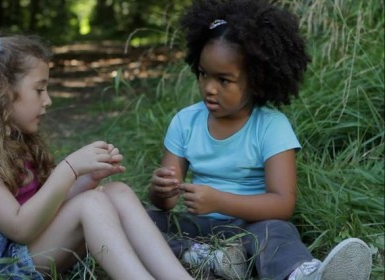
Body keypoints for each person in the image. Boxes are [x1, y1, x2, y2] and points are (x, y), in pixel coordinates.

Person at [0, 30, 193, 280]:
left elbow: (44, 208)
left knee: (116, 192)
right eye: (39, 89)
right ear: (2, 93)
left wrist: (85, 182)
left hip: (20, 247)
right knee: (90, 205)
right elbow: (20, 227)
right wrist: (69, 169)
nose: (48, 100)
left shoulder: (17, 140)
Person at [147, 0, 373, 280]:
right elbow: (165, 203)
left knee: (277, 231)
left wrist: (219, 201)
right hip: (197, 226)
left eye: (224, 80)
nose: (209, 88)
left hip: (252, 224)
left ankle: (303, 275)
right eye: (203, 74)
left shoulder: (270, 126)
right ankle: (205, 257)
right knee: (142, 220)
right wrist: (161, 190)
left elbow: (282, 204)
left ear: (256, 80)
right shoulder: (185, 121)